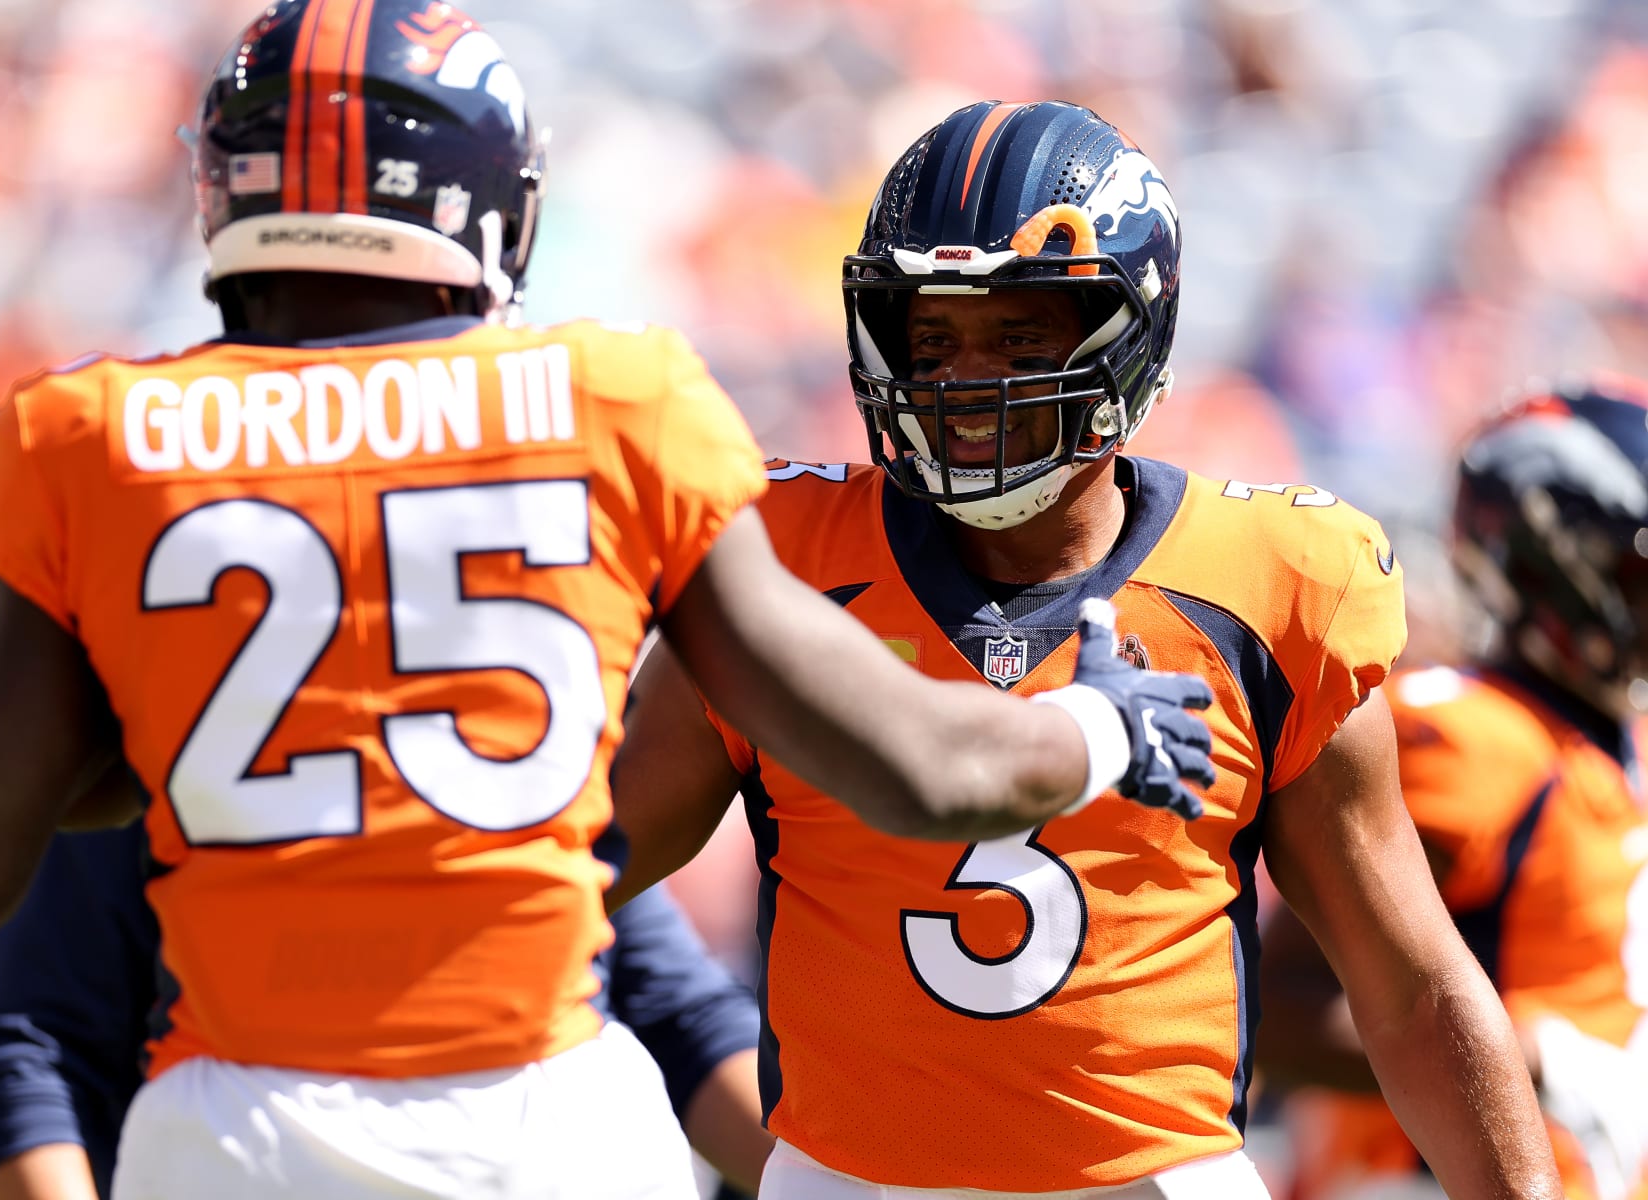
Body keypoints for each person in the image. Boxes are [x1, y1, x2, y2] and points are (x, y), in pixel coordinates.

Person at [0, 8, 1218, 1198]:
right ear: (492, 202)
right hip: (541, 1126)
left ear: (224, 191)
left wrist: (134, 757)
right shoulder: (610, 402)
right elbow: (929, 767)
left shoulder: (99, 436)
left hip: (240, 1134)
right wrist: (1100, 728)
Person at [607, 99, 1563, 1199]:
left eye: (1021, 334)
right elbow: (585, 855)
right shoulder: (782, 557)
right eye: (932, 336)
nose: (969, 380)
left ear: (1129, 330)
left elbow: (1412, 990)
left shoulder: (1274, 581)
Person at [1260, 379, 1648, 1200]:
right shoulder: (1469, 738)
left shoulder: (1606, 739)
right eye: (1636, 576)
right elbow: (1269, 1008)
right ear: (1552, 566)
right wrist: (1533, 1063)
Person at [0, 825, 773, 1200]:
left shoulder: (509, 690)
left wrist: (842, 1183)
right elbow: (30, 1056)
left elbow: (681, 1016)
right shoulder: (162, 691)